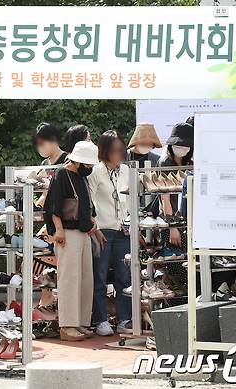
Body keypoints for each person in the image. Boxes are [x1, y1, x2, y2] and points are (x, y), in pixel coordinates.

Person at [46, 140, 99, 342]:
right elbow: (53, 206)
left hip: (84, 232)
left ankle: (81, 321)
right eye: (88, 164)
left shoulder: (80, 176)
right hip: (68, 232)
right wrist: (58, 229)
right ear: (78, 162)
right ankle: (67, 325)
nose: (90, 168)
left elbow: (87, 205)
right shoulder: (62, 174)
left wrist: (92, 221)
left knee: (86, 279)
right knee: (69, 279)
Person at [88, 130, 132, 336]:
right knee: (100, 275)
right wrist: (94, 227)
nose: (118, 153)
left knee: (124, 277)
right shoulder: (96, 171)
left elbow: (131, 200)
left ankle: (125, 318)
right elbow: (88, 202)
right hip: (103, 229)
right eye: (114, 149)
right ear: (105, 150)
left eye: (120, 149)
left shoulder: (126, 171)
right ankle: (101, 319)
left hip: (124, 229)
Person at [160, 122, 194, 246]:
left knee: (192, 262)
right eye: (178, 145)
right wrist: (172, 227)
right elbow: (165, 199)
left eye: (185, 145)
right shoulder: (165, 163)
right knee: (175, 261)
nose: (181, 148)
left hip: (189, 221)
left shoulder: (191, 164)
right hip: (171, 222)